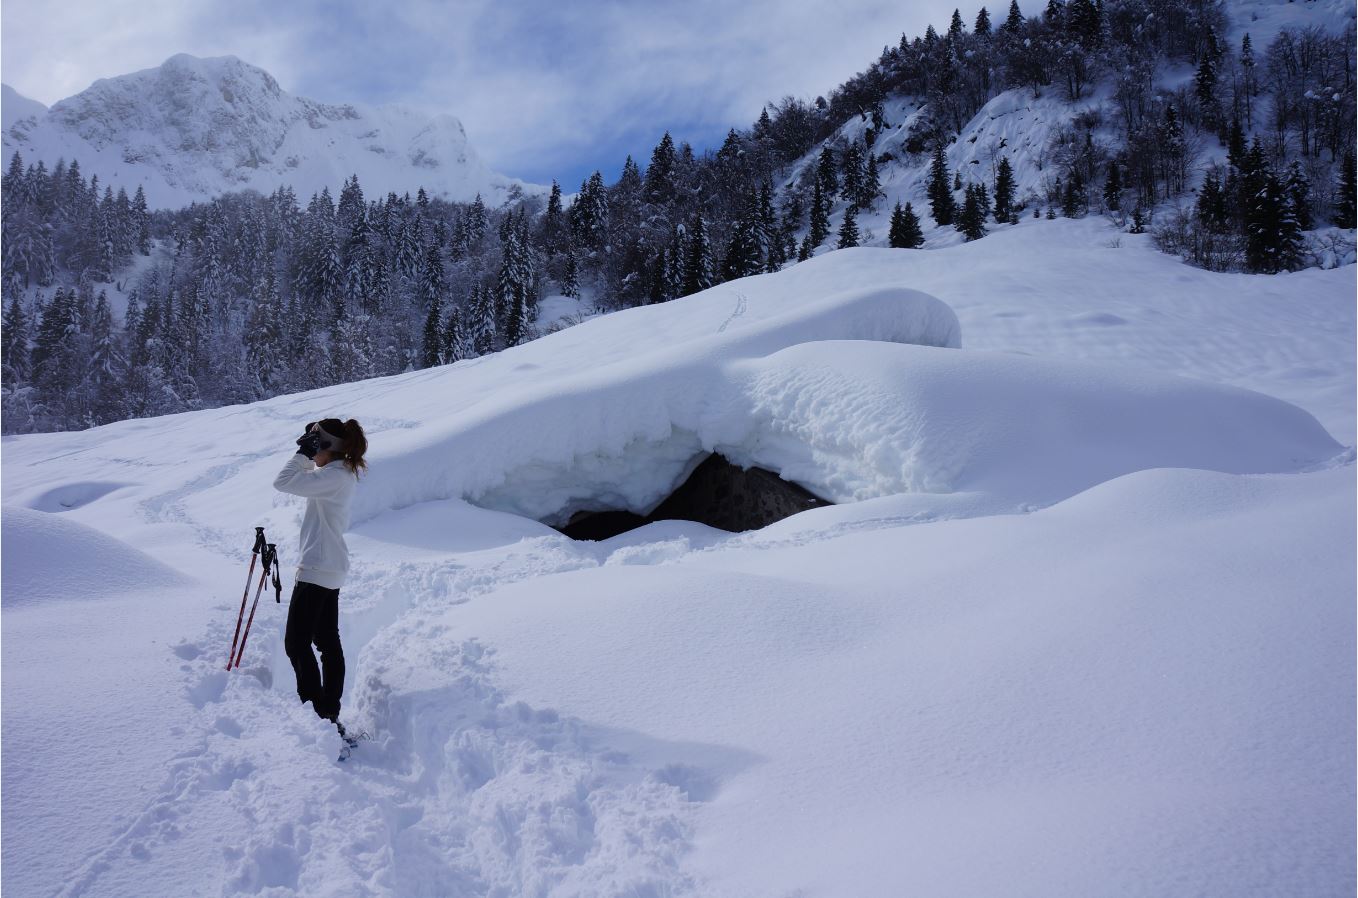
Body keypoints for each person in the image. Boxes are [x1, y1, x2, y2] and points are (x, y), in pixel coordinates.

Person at [273, 418, 367, 729]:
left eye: (314, 443)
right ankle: (328, 712)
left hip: (318, 567)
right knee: (326, 641)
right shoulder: (335, 474)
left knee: (296, 643)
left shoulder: (334, 477)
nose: (309, 450)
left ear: (326, 447)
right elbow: (303, 477)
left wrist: (302, 454)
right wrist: (313, 451)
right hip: (327, 565)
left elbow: (283, 481)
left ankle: (318, 714)